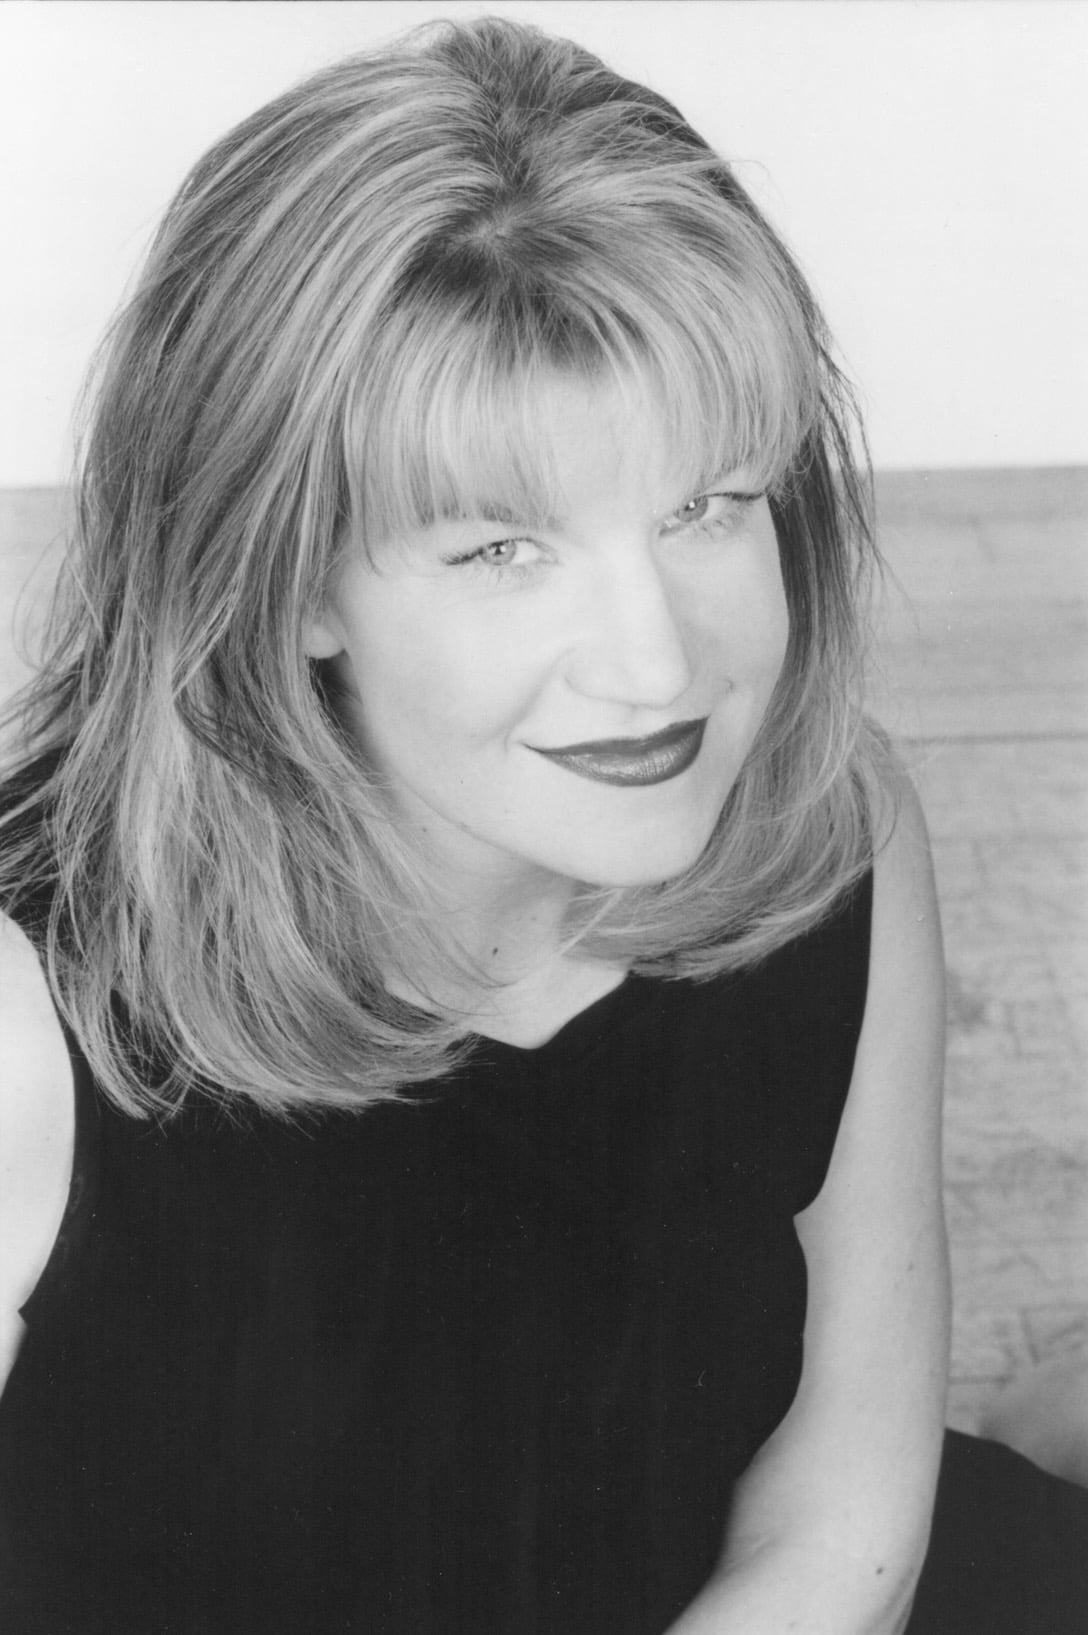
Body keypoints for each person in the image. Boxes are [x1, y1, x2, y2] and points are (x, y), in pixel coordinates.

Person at [0, 16, 1084, 1634]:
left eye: (706, 506)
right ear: (287, 584)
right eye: (502, 549)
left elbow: (844, 1496)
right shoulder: (29, 990)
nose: (656, 668)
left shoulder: (830, 823)